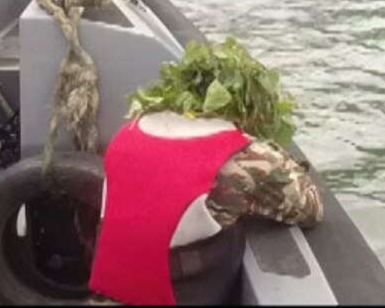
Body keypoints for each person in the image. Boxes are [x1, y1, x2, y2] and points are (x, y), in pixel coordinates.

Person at [89, 111, 323, 305]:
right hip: (179, 293)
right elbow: (311, 209)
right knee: (232, 219)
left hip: (112, 290)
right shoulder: (244, 157)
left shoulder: (128, 131)